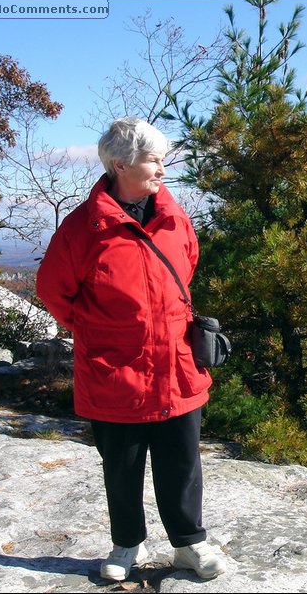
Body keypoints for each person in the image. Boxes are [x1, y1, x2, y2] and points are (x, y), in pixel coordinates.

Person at [36, 117, 226, 582]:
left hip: (176, 364)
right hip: (114, 370)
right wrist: (99, 331)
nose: (163, 168)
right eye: (154, 159)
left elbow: (186, 270)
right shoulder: (84, 228)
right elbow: (53, 289)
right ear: (121, 165)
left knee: (181, 462)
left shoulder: (175, 217)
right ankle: (127, 544)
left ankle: (189, 544)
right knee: (121, 464)